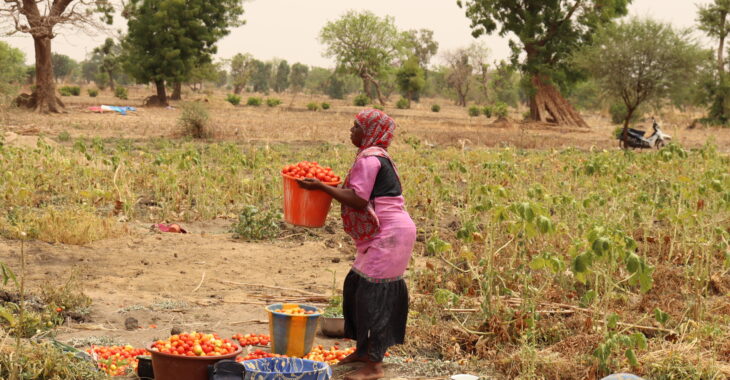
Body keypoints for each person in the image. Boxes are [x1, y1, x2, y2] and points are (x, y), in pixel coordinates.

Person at [297, 108, 416, 380]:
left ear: (370, 132)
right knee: (356, 286)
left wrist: (321, 187)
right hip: (383, 233)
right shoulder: (374, 157)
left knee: (375, 297)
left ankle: (374, 365)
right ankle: (363, 351)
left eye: (356, 127)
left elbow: (358, 200)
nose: (351, 131)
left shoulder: (370, 159)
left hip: (391, 234)